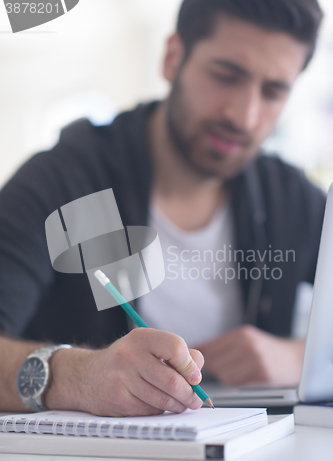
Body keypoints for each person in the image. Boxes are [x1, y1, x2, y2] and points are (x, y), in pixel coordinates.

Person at [0, 0, 326, 417]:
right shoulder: (64, 180)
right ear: (173, 58)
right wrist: (78, 376)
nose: (245, 116)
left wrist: (299, 357)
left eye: (273, 91)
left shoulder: (292, 198)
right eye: (226, 76)